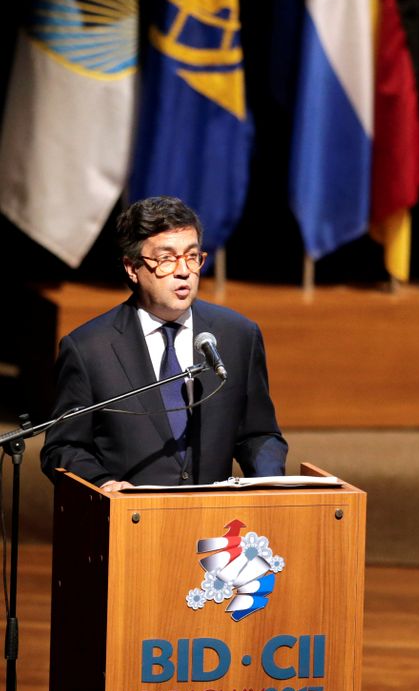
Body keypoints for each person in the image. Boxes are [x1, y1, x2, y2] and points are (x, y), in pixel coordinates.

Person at [41, 196, 288, 491]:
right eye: (167, 259)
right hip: (129, 521)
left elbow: (259, 434)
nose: (183, 271)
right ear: (132, 267)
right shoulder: (89, 348)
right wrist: (103, 484)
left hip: (213, 522)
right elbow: (64, 447)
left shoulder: (237, 336)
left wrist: (270, 487)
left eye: (192, 256)